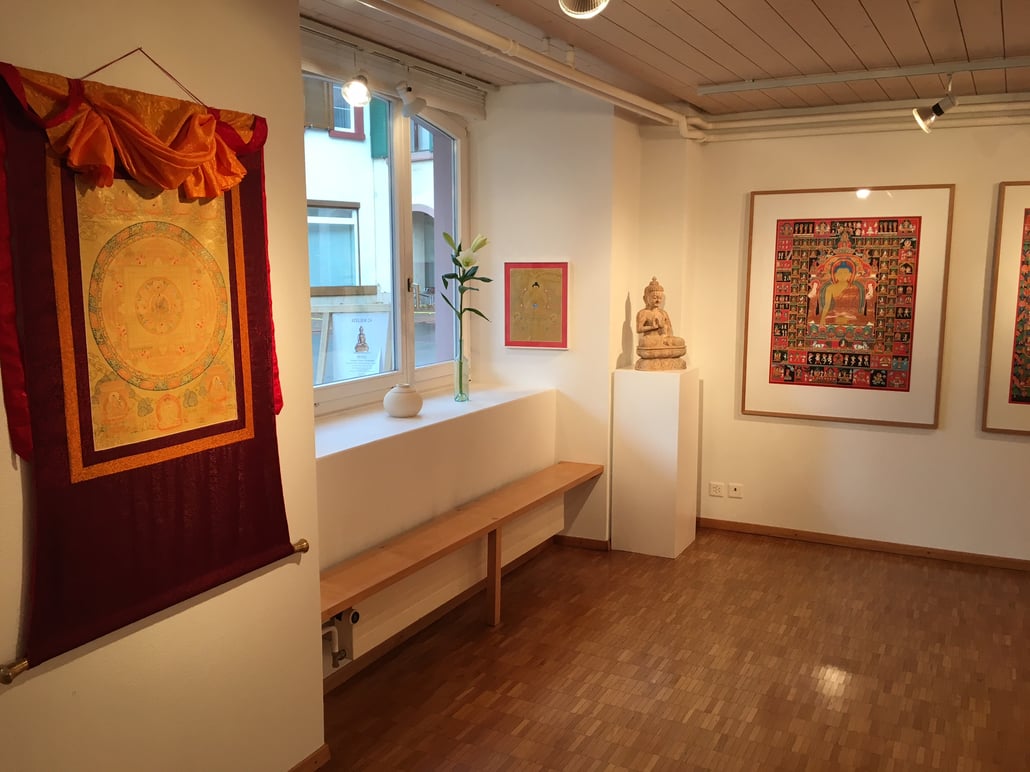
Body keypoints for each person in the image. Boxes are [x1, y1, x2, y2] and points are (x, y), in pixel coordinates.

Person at [635, 277, 686, 370]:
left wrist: (665, 331)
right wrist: (652, 327)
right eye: (654, 298)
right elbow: (639, 329)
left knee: (680, 341)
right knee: (644, 343)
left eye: (660, 298)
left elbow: (669, 330)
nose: (657, 300)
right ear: (645, 298)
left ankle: (666, 353)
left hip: (664, 339)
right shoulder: (643, 313)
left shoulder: (663, 313)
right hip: (651, 340)